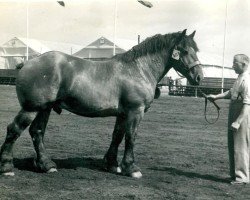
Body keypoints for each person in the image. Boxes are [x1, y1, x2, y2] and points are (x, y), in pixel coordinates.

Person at [207, 54, 250, 185]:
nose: (232, 65)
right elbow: (231, 93)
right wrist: (216, 96)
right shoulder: (239, 78)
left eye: (235, 63)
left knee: (241, 145)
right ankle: (235, 175)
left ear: (243, 64)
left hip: (242, 114)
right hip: (234, 110)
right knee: (233, 144)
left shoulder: (247, 80)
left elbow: (247, 104)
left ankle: (242, 177)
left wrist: (238, 121)